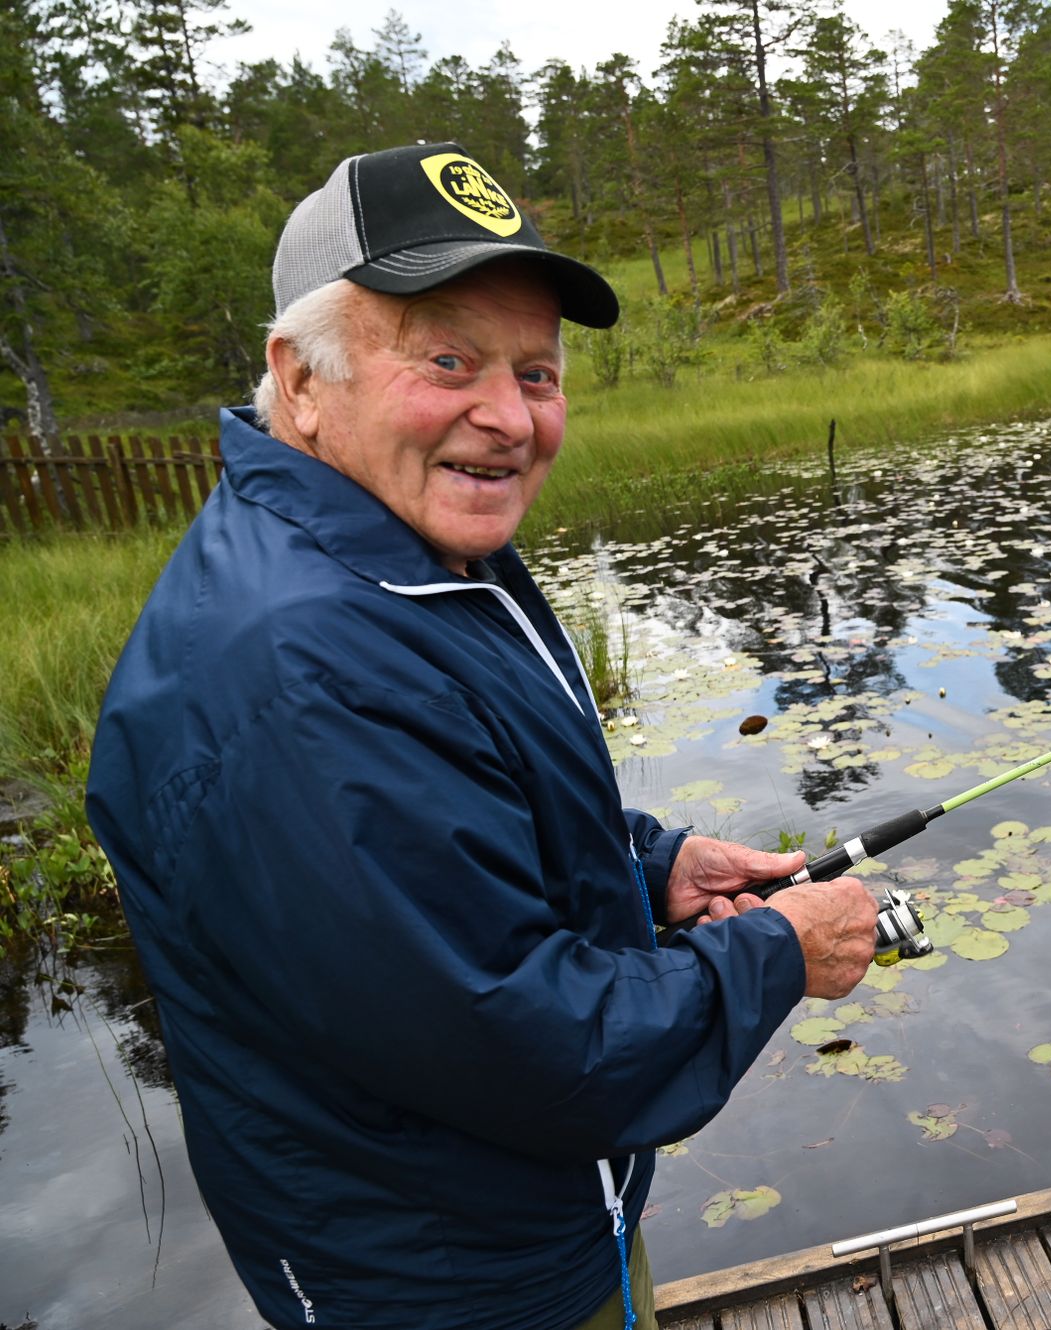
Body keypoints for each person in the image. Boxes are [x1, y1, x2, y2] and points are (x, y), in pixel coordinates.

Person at [85, 142, 882, 1330]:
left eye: (537, 372)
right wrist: (776, 954)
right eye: (446, 358)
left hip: (501, 1229)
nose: (506, 416)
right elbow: (520, 1042)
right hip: (449, 1285)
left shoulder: (395, 557)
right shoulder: (300, 666)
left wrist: (645, 864)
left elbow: (450, 841)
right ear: (301, 380)